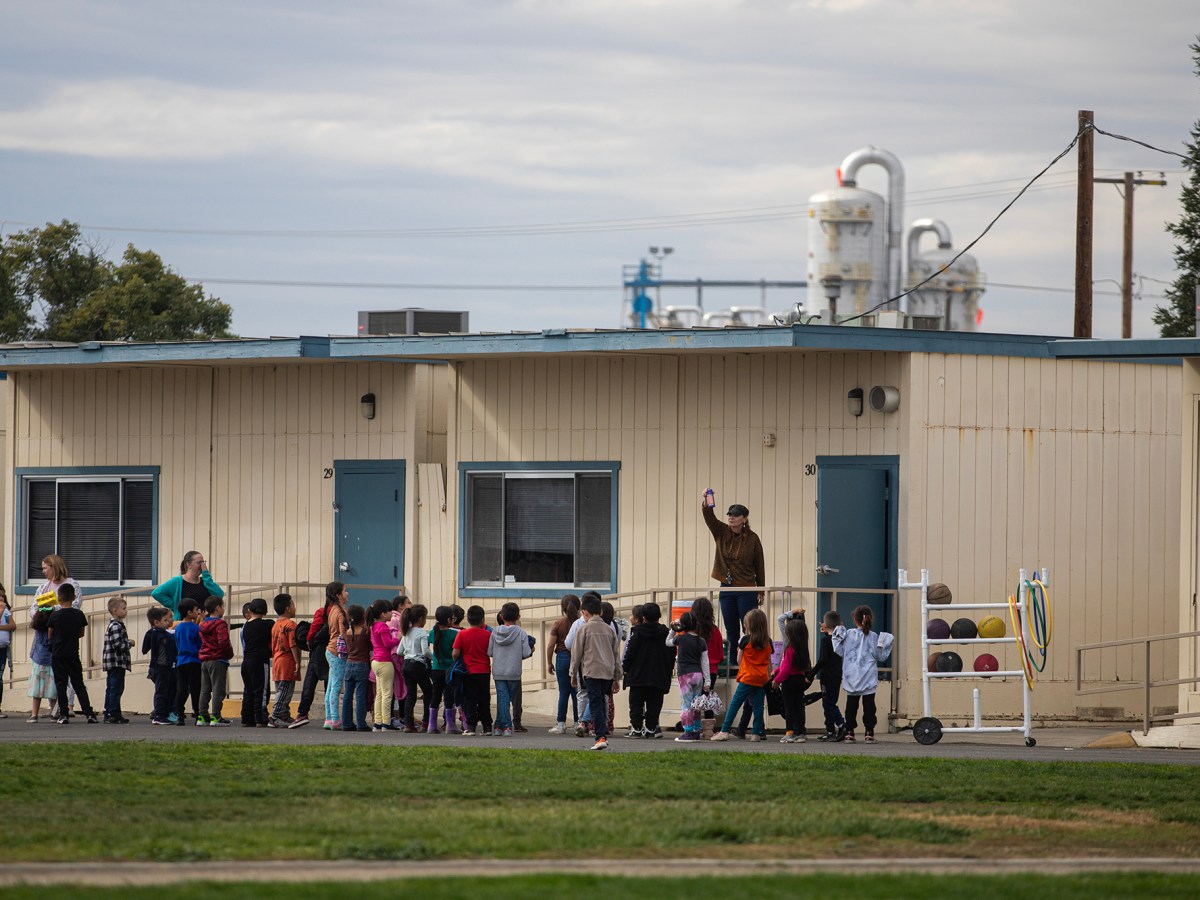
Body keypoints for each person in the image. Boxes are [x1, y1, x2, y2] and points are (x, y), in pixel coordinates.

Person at [701, 493, 766, 667]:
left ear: (744, 518)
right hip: (727, 588)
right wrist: (707, 500)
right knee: (731, 630)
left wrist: (760, 589)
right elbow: (709, 517)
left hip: (746, 589)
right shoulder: (721, 532)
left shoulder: (753, 539)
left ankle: (750, 662)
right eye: (729, 514)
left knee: (749, 629)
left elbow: (759, 565)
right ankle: (733, 665)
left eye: (735, 515)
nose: (731, 517)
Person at [832, 605, 894, 744]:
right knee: (869, 706)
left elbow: (838, 649)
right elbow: (881, 656)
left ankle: (849, 732)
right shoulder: (874, 637)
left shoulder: (848, 634)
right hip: (868, 676)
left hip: (851, 675)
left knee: (851, 706)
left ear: (855, 619)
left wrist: (838, 631)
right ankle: (869, 732)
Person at [711, 608, 772, 742]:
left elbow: (739, 659)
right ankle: (756, 733)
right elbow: (769, 661)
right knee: (758, 705)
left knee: (735, 703)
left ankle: (724, 730)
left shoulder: (745, 639)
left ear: (749, 625)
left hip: (747, 676)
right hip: (761, 678)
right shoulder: (768, 641)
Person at [570, 594, 621, 751]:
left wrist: (573, 673)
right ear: (601, 611)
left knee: (595, 705)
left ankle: (600, 737)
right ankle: (602, 732)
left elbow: (576, 653)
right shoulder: (609, 630)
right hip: (607, 672)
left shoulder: (583, 629)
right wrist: (617, 676)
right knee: (602, 702)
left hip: (591, 671)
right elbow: (616, 654)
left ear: (584, 612)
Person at [33, 555, 83, 716]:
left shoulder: (71, 585)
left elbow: (74, 605)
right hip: (46, 633)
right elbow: (33, 608)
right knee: (49, 669)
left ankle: (67, 706)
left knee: (66, 670)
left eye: (45, 568)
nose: (43, 571)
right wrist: (41, 613)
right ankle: (53, 706)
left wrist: (52, 611)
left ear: (54, 567)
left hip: (65, 634)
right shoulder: (43, 587)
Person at [47, 583, 98, 725]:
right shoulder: (79, 614)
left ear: (58, 598)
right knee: (78, 684)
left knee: (61, 684)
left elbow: (50, 634)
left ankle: (63, 714)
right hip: (73, 653)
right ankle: (89, 713)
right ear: (74, 597)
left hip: (58, 654)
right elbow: (81, 633)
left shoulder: (55, 616)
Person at [622, 602, 674, 739]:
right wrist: (669, 670)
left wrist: (625, 668)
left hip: (638, 674)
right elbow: (671, 653)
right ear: (660, 615)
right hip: (658, 674)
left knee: (636, 702)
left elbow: (630, 652)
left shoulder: (637, 632)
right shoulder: (666, 633)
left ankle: (636, 728)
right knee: (655, 703)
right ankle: (651, 728)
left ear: (643, 617)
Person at [489, 602, 532, 737]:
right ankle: (506, 726)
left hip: (499, 670)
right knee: (507, 699)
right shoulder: (521, 633)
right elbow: (526, 653)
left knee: (503, 698)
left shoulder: (494, 632)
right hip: (514, 671)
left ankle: (498, 726)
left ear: (501, 616)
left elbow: (490, 652)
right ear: (518, 616)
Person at [667, 610, 710, 743]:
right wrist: (707, 680)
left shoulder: (680, 638)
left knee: (686, 705)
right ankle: (696, 730)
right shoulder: (701, 641)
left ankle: (688, 731)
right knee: (696, 705)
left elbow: (667, 642)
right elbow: (705, 662)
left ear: (683, 625)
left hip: (685, 676)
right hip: (698, 675)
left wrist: (673, 630)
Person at [772, 610, 813, 743]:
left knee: (789, 707)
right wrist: (778, 670)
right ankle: (801, 732)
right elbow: (792, 666)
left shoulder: (789, 649)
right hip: (800, 680)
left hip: (789, 682)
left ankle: (790, 732)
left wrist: (777, 680)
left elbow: (787, 668)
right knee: (799, 707)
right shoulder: (803, 648)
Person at [452, 605, 493, 736]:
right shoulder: (488, 634)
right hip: (484, 671)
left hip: (468, 671)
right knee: (484, 699)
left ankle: (471, 727)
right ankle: (487, 727)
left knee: (470, 699)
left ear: (468, 620)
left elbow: (455, 653)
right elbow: (491, 652)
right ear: (482, 620)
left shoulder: (462, 634)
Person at [150, 551, 223, 621]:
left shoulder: (205, 581)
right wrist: (175, 606)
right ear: (188, 564)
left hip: (204, 623)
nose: (202, 565)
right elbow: (156, 593)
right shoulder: (177, 581)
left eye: (204, 562)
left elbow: (219, 595)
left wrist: (206, 576)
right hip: (184, 624)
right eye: (199, 563)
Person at [809, 610, 847, 742]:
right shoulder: (841, 640)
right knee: (831, 701)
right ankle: (833, 728)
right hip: (837, 675)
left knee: (828, 703)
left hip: (827, 676)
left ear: (825, 624)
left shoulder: (826, 641)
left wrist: (811, 673)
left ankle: (838, 725)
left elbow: (823, 660)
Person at [291, 598, 329, 729]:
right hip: (332, 650)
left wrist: (309, 640)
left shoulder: (322, 612)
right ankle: (330, 715)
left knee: (310, 681)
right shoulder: (341, 612)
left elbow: (314, 627)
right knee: (330, 684)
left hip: (318, 649)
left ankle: (302, 713)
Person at [546, 594, 581, 735]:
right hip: (578, 658)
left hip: (562, 657)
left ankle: (561, 724)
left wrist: (549, 662)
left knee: (564, 692)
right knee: (577, 693)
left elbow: (550, 646)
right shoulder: (581, 623)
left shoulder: (558, 623)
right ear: (579, 607)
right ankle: (579, 722)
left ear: (563, 608)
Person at [198, 595, 233, 726]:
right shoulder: (220, 624)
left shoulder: (203, 624)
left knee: (205, 689)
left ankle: (202, 716)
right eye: (223, 606)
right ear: (218, 608)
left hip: (205, 659)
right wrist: (229, 653)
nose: (223, 609)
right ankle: (216, 716)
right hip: (218, 659)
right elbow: (223, 641)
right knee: (218, 689)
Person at [399, 604, 433, 733]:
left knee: (411, 694)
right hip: (417, 664)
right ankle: (426, 722)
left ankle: (408, 724)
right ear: (420, 619)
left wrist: (409, 653)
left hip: (406, 664)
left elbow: (399, 651)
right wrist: (435, 658)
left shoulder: (406, 631)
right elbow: (425, 652)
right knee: (428, 691)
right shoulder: (422, 633)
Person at [239, 598, 272, 727]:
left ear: (250, 611)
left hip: (246, 661)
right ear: (266, 611)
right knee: (261, 690)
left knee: (248, 690)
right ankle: (260, 717)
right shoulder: (266, 625)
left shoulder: (245, 626)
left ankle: (247, 717)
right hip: (259, 661)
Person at [369, 599, 401, 732]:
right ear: (383, 614)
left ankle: (378, 722)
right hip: (385, 662)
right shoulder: (383, 627)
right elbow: (388, 644)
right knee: (387, 694)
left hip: (376, 661)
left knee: (380, 694)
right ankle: (386, 723)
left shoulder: (373, 626)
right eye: (389, 612)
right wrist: (398, 638)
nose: (391, 614)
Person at [101, 597, 133, 724]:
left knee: (112, 688)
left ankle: (111, 711)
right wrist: (129, 643)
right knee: (116, 688)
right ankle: (113, 713)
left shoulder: (115, 625)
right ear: (115, 611)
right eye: (124, 608)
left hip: (114, 662)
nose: (126, 611)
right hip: (116, 662)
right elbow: (117, 644)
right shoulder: (115, 626)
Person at [340, 604, 372, 732]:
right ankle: (361, 723)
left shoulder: (346, 633)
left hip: (349, 664)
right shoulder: (365, 632)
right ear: (363, 617)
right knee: (360, 695)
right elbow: (371, 646)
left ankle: (346, 723)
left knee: (347, 695)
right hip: (362, 665)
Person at [270, 594, 301, 727]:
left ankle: (284, 714)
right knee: (285, 690)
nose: (295, 608)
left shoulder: (276, 625)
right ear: (288, 608)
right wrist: (298, 662)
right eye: (293, 605)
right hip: (287, 661)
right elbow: (293, 644)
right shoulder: (291, 625)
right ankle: (275, 716)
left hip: (277, 660)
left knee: (280, 689)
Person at [144, 607, 178, 725]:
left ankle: (163, 713)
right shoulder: (157, 634)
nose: (168, 622)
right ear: (157, 622)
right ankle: (158, 715)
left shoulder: (159, 633)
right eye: (165, 620)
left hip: (164, 666)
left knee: (167, 691)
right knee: (161, 691)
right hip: (161, 666)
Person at [323, 582, 349, 731]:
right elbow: (343, 633)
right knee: (336, 687)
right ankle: (335, 719)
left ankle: (328, 718)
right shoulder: (340, 612)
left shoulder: (331, 610)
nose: (347, 594)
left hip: (330, 650)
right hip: (337, 652)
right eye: (345, 591)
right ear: (338, 595)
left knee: (331, 686)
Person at [173, 599, 204, 726]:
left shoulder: (178, 627)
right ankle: (198, 714)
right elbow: (200, 643)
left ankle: (180, 714)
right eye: (196, 610)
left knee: (182, 689)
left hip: (181, 661)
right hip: (194, 660)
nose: (198, 612)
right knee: (196, 689)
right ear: (189, 612)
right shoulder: (196, 628)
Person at [429, 605, 458, 734]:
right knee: (449, 697)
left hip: (435, 668)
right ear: (448, 620)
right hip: (449, 669)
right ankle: (450, 725)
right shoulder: (454, 634)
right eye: (452, 618)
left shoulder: (433, 632)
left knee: (435, 696)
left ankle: (432, 725)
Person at [26, 608, 56, 722]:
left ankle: (34, 715)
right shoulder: (53, 629)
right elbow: (50, 641)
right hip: (51, 660)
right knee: (52, 688)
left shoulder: (38, 629)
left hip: (38, 660)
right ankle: (54, 713)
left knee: (36, 690)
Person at [0, 587, 14, 716]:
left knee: (0, 678)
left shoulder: (6, 611)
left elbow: (12, 626)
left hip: (3, 648)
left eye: (3, 597)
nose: (1, 599)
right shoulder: (2, 611)